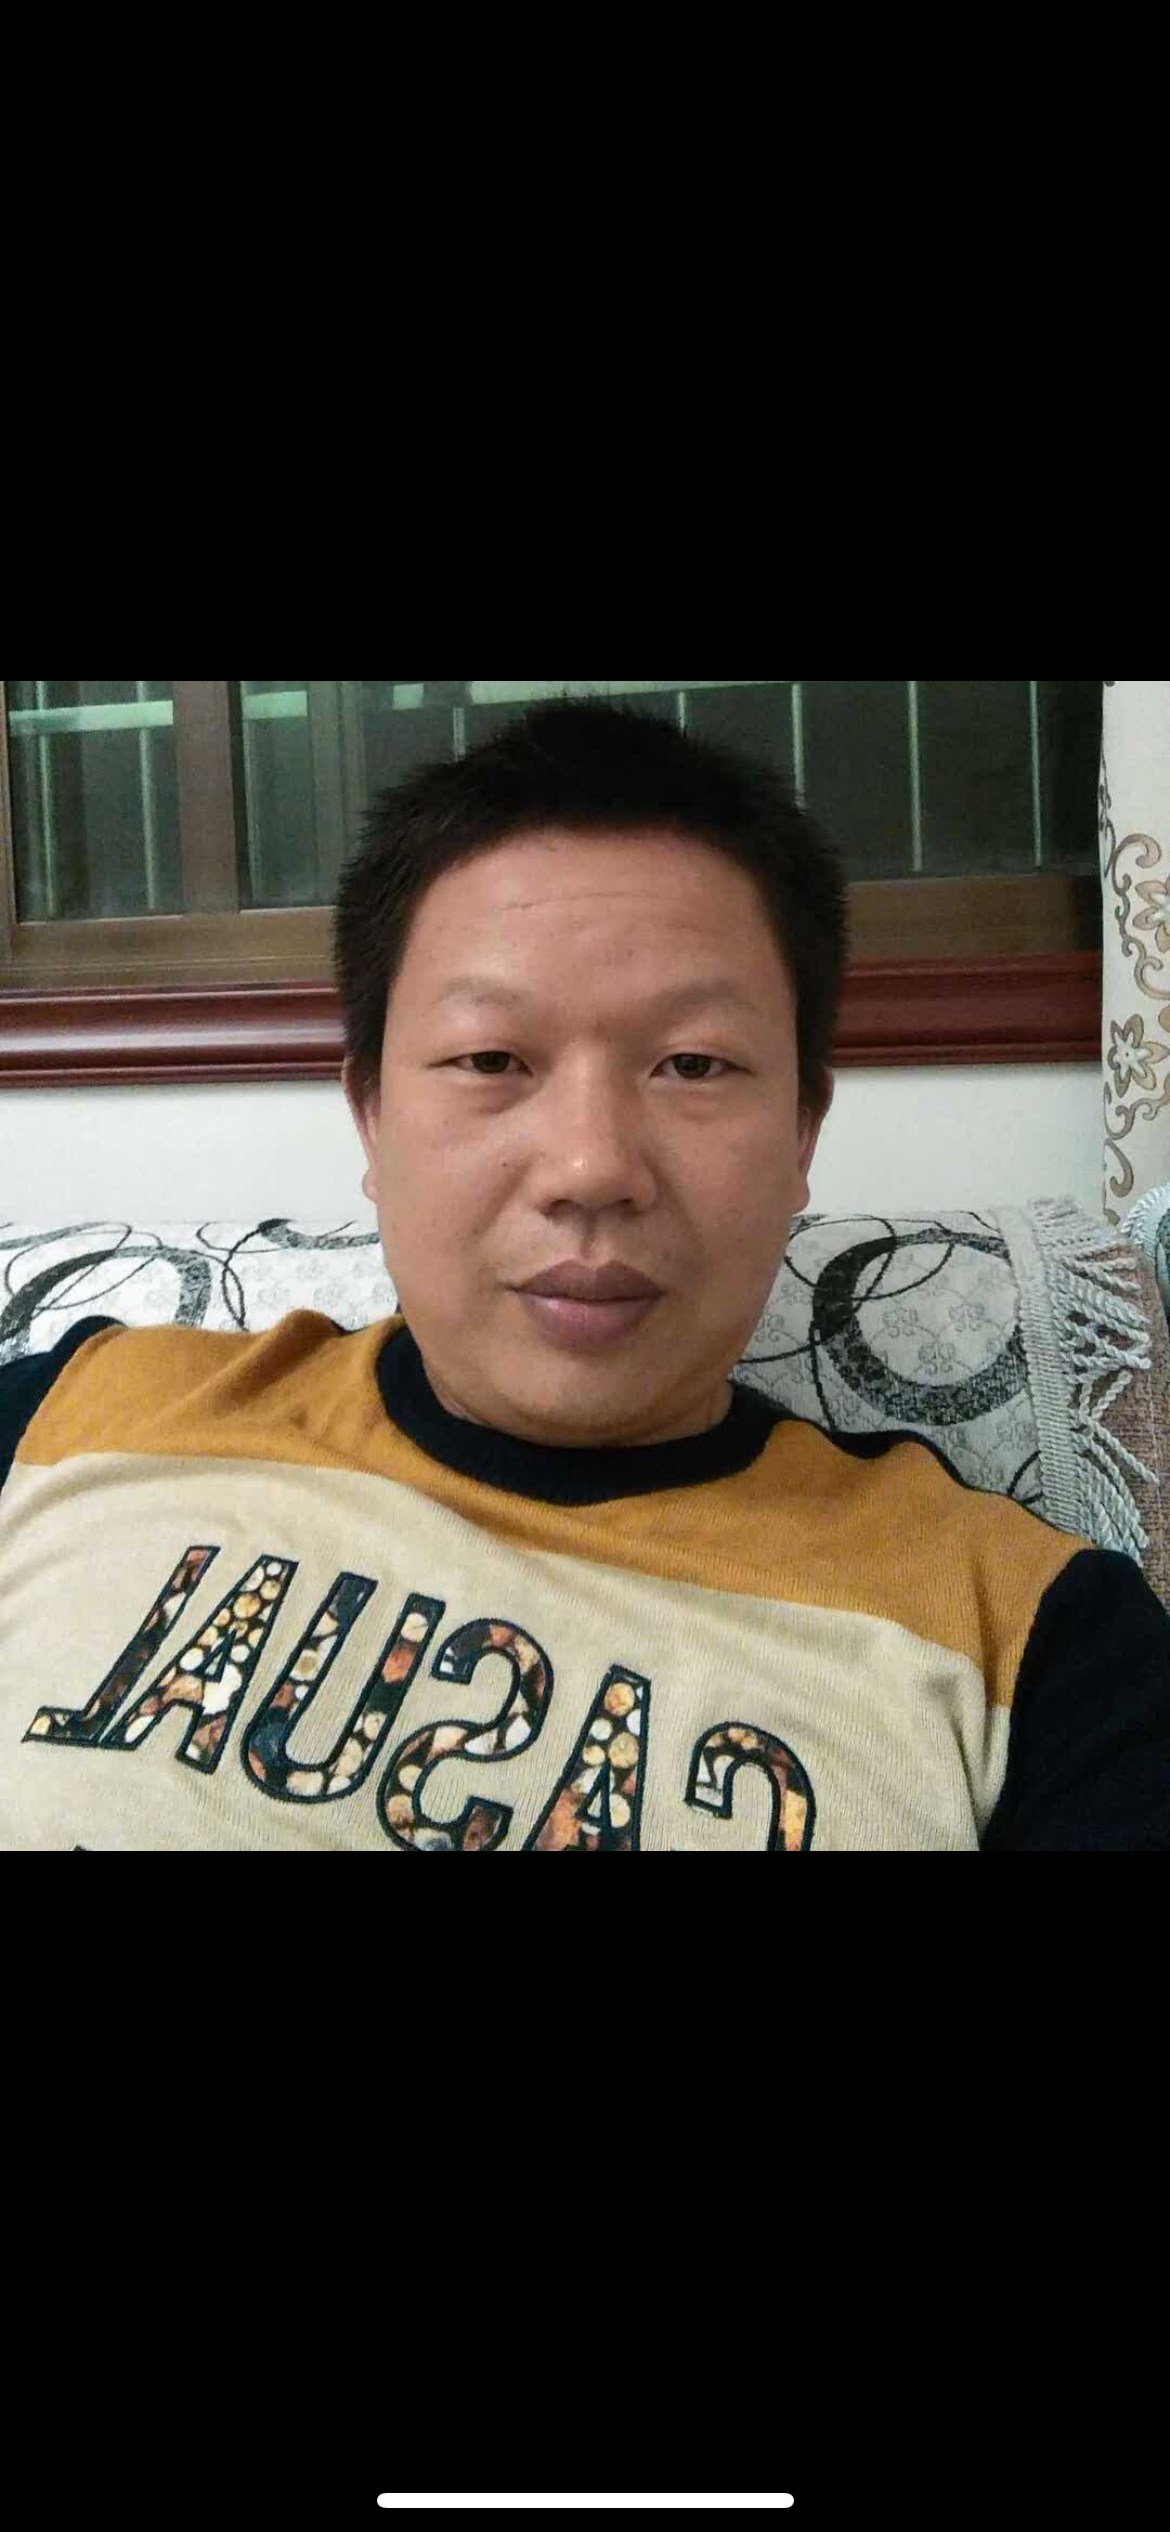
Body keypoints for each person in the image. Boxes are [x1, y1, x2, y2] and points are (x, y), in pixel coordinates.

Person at [2, 699, 1167, 1850]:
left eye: (692, 1064)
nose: (593, 1167)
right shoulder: (77, 1409)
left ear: (802, 1131)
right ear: (371, 1116)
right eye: (491, 1058)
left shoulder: (1034, 1640)